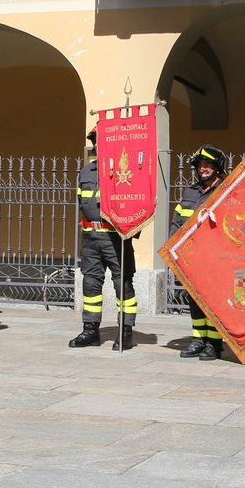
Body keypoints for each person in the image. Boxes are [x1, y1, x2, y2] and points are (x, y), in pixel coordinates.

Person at [69, 128, 139, 351]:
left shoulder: (125, 170)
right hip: (91, 236)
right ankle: (90, 330)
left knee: (122, 284)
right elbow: (82, 202)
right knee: (90, 282)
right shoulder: (86, 171)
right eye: (95, 142)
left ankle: (125, 331)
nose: (97, 145)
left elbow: (137, 202)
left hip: (115, 236)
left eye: (102, 141)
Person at [172, 145, 229, 360]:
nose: (203, 169)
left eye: (207, 165)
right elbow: (177, 221)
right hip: (191, 257)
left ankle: (214, 344)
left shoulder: (226, 191)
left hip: (216, 259)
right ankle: (198, 340)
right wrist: (173, 247)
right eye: (200, 166)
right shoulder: (191, 192)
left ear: (217, 168)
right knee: (194, 299)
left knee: (213, 300)